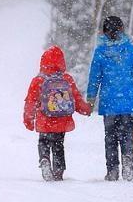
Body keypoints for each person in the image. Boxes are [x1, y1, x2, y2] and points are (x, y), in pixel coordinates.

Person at [86, 16, 133, 181]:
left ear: (105, 31)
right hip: (127, 102)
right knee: (127, 135)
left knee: (110, 138)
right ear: (121, 29)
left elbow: (95, 77)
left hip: (109, 103)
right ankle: (128, 163)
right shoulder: (131, 50)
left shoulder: (100, 52)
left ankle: (112, 170)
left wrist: (91, 99)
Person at [24, 45, 91, 181]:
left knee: (43, 141)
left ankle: (44, 159)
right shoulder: (67, 79)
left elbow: (30, 102)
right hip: (61, 120)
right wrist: (86, 109)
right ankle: (59, 171)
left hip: (44, 119)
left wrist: (29, 120)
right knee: (58, 145)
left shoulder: (38, 81)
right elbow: (76, 99)